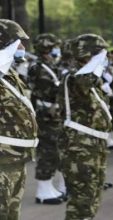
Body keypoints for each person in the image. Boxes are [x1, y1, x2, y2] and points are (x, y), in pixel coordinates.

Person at [57, 33, 111, 220]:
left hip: (95, 144)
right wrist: (96, 63)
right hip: (79, 146)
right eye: (99, 54)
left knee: (93, 195)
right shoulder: (72, 78)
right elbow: (83, 82)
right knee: (81, 198)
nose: (104, 58)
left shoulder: (93, 80)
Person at [0, 19, 38, 220]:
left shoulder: (10, 76)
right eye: (18, 43)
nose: (22, 48)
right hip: (2, 159)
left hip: (15, 158)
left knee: (11, 214)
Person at [28, 33, 64, 204]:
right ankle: (43, 189)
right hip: (45, 116)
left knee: (55, 150)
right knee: (47, 151)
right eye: (54, 46)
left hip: (54, 115)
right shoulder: (38, 67)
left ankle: (48, 186)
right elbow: (46, 90)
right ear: (47, 48)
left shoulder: (49, 65)